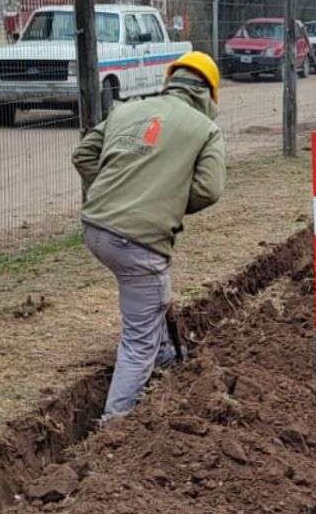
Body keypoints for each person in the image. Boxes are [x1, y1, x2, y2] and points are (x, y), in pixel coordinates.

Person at [72, 51, 225, 421]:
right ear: (208, 94)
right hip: (136, 242)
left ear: (171, 80)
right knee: (137, 337)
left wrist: (116, 188)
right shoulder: (205, 129)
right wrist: (161, 198)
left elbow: (83, 154)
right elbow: (209, 190)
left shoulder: (127, 109)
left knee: (152, 296)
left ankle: (165, 355)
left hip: (96, 229)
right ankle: (115, 423)